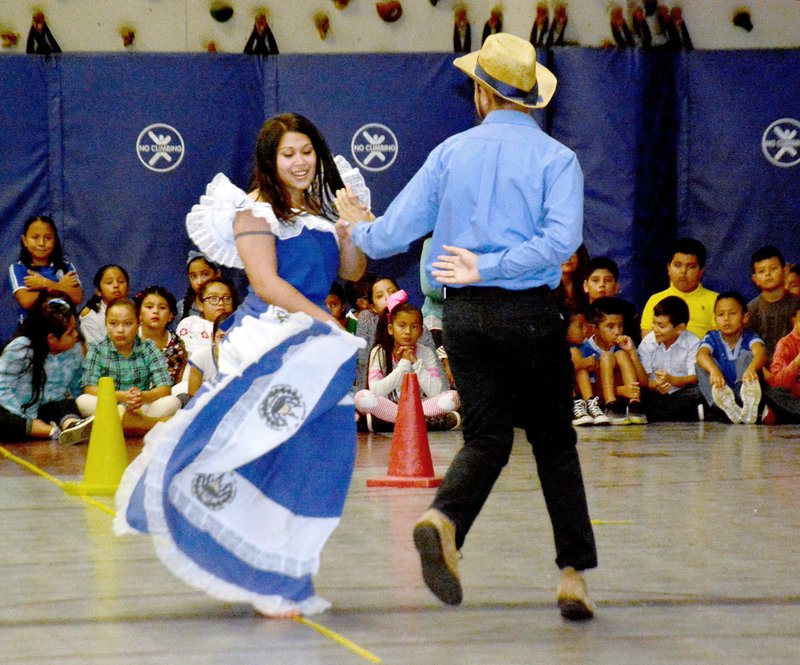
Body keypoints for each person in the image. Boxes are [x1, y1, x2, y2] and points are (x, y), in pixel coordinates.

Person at [335, 33, 597, 620]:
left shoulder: (450, 153)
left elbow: (389, 234)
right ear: (530, 99)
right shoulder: (558, 159)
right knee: (554, 442)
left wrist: (356, 223)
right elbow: (563, 242)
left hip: (464, 316)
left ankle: (443, 516)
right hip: (529, 312)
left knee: (486, 438)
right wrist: (500, 264)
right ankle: (573, 576)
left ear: (481, 94)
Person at [114, 113, 366, 618]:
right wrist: (329, 324)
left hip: (316, 348)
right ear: (270, 161)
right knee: (251, 457)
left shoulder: (324, 205)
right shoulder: (252, 211)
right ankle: (260, 575)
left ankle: (283, 570)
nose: (299, 162)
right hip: (270, 342)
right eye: (288, 154)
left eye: (306, 151)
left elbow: (352, 272)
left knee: (316, 463)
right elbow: (268, 284)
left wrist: (353, 228)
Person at [354, 290, 460, 429]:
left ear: (421, 331)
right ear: (391, 329)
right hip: (389, 407)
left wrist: (416, 363)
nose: (408, 332)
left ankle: (391, 423)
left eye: (414, 327)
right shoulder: (379, 352)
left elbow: (435, 392)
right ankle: (424, 422)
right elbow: (376, 391)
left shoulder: (425, 352)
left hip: (420, 406)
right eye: (402, 326)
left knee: (453, 397)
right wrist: (403, 365)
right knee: (362, 397)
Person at [78, 297, 182, 434]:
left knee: (173, 402)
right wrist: (122, 396)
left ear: (138, 323)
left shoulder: (149, 348)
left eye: (127, 324)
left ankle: (118, 425)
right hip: (111, 405)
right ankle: (143, 425)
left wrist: (143, 396)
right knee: (83, 401)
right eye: (113, 324)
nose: (120, 330)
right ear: (105, 323)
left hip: (141, 407)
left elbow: (165, 388)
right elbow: (89, 389)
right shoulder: (97, 349)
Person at [0, 293, 92, 444]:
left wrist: (78, 406)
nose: (76, 334)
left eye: (75, 328)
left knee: (64, 404)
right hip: (16, 411)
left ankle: (71, 426)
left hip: (48, 408)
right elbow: (2, 390)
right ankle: (45, 431)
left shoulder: (75, 350)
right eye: (70, 332)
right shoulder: (20, 349)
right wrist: (26, 418)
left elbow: (77, 387)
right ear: (51, 339)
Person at [353, 275, 444, 392]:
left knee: (449, 398)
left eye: (392, 292)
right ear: (372, 307)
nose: (388, 297)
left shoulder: (415, 322)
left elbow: (436, 369)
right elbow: (362, 363)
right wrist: (363, 398)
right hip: (380, 397)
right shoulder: (366, 319)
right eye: (380, 296)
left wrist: (442, 396)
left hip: (419, 397)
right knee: (363, 397)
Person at [696, 292, 765, 424]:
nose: (726, 319)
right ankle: (722, 406)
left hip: (743, 390)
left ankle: (746, 403)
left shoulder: (750, 337)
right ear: (715, 319)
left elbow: (760, 353)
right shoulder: (712, 337)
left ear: (745, 317)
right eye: (721, 314)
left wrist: (751, 369)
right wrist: (713, 371)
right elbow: (701, 354)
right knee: (701, 364)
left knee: (748, 355)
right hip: (722, 390)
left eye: (732, 313)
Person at [580, 297, 648, 425]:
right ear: (594, 328)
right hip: (598, 404)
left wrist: (632, 352)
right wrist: (620, 390)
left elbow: (643, 382)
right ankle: (611, 405)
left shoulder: (623, 346)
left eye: (620, 326)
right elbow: (588, 391)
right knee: (606, 357)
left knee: (621, 355)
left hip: (625, 402)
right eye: (610, 327)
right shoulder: (585, 350)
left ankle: (635, 404)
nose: (617, 332)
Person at [636, 295, 703, 422]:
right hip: (655, 393)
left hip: (681, 392)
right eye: (654, 323)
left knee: (699, 391)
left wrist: (672, 380)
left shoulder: (693, 342)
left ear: (679, 328)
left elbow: (694, 377)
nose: (655, 329)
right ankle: (681, 414)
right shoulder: (648, 342)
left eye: (661, 326)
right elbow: (645, 378)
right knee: (640, 392)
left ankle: (659, 414)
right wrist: (655, 386)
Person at [9, 215, 83, 325]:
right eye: (35, 237)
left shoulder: (67, 266)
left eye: (48, 238)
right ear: (24, 240)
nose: (41, 243)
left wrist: (44, 284)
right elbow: (27, 301)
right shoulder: (18, 268)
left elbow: (77, 298)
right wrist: (62, 288)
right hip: (32, 330)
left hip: (65, 332)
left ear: (55, 240)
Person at [640, 238, 718, 340]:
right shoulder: (655, 300)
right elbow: (647, 341)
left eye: (691, 266)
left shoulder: (717, 301)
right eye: (677, 265)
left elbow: (719, 342)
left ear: (701, 272)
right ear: (668, 268)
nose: (683, 271)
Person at [746, 246, 800, 362]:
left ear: (785, 271)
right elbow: (749, 346)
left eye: (773, 268)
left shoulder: (797, 304)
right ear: (755, 279)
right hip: (761, 369)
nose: (768, 274)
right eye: (762, 271)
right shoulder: (752, 309)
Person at [134, 286, 188, 388]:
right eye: (149, 307)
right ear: (139, 314)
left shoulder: (177, 344)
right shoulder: (129, 338)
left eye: (162, 308)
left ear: (170, 316)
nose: (155, 311)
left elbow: (179, 381)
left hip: (165, 398)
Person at [567, 306, 610, 426]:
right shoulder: (558, 347)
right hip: (558, 394)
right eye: (580, 326)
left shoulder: (582, 347)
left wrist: (587, 365)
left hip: (580, 391)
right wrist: (586, 362)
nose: (585, 330)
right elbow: (566, 367)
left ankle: (590, 404)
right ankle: (574, 403)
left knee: (582, 371)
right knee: (575, 356)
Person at [583, 256, 640, 344]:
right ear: (586, 286)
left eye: (608, 280)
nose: (602, 285)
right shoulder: (579, 313)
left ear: (617, 287)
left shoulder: (628, 311)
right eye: (595, 280)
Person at [175, 277, 238, 356]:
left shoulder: (240, 326)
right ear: (201, 305)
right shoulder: (190, 323)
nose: (221, 303)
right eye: (213, 298)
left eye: (227, 298)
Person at [762, 301, 800, 423]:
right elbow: (778, 383)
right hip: (793, 397)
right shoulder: (785, 344)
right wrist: (796, 363)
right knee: (773, 392)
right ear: (794, 321)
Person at [79, 264, 129, 345]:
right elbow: (95, 350)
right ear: (98, 291)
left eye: (121, 281)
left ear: (128, 289)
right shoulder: (91, 315)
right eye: (109, 282)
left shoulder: (136, 311)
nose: (116, 285)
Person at [186, 312, 229, 397]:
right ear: (213, 337)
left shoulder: (245, 358)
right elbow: (192, 396)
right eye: (222, 337)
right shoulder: (200, 356)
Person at [175, 252, 222, 324]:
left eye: (205, 274)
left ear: (217, 274)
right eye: (193, 276)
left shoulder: (227, 305)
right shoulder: (181, 308)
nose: (199, 282)